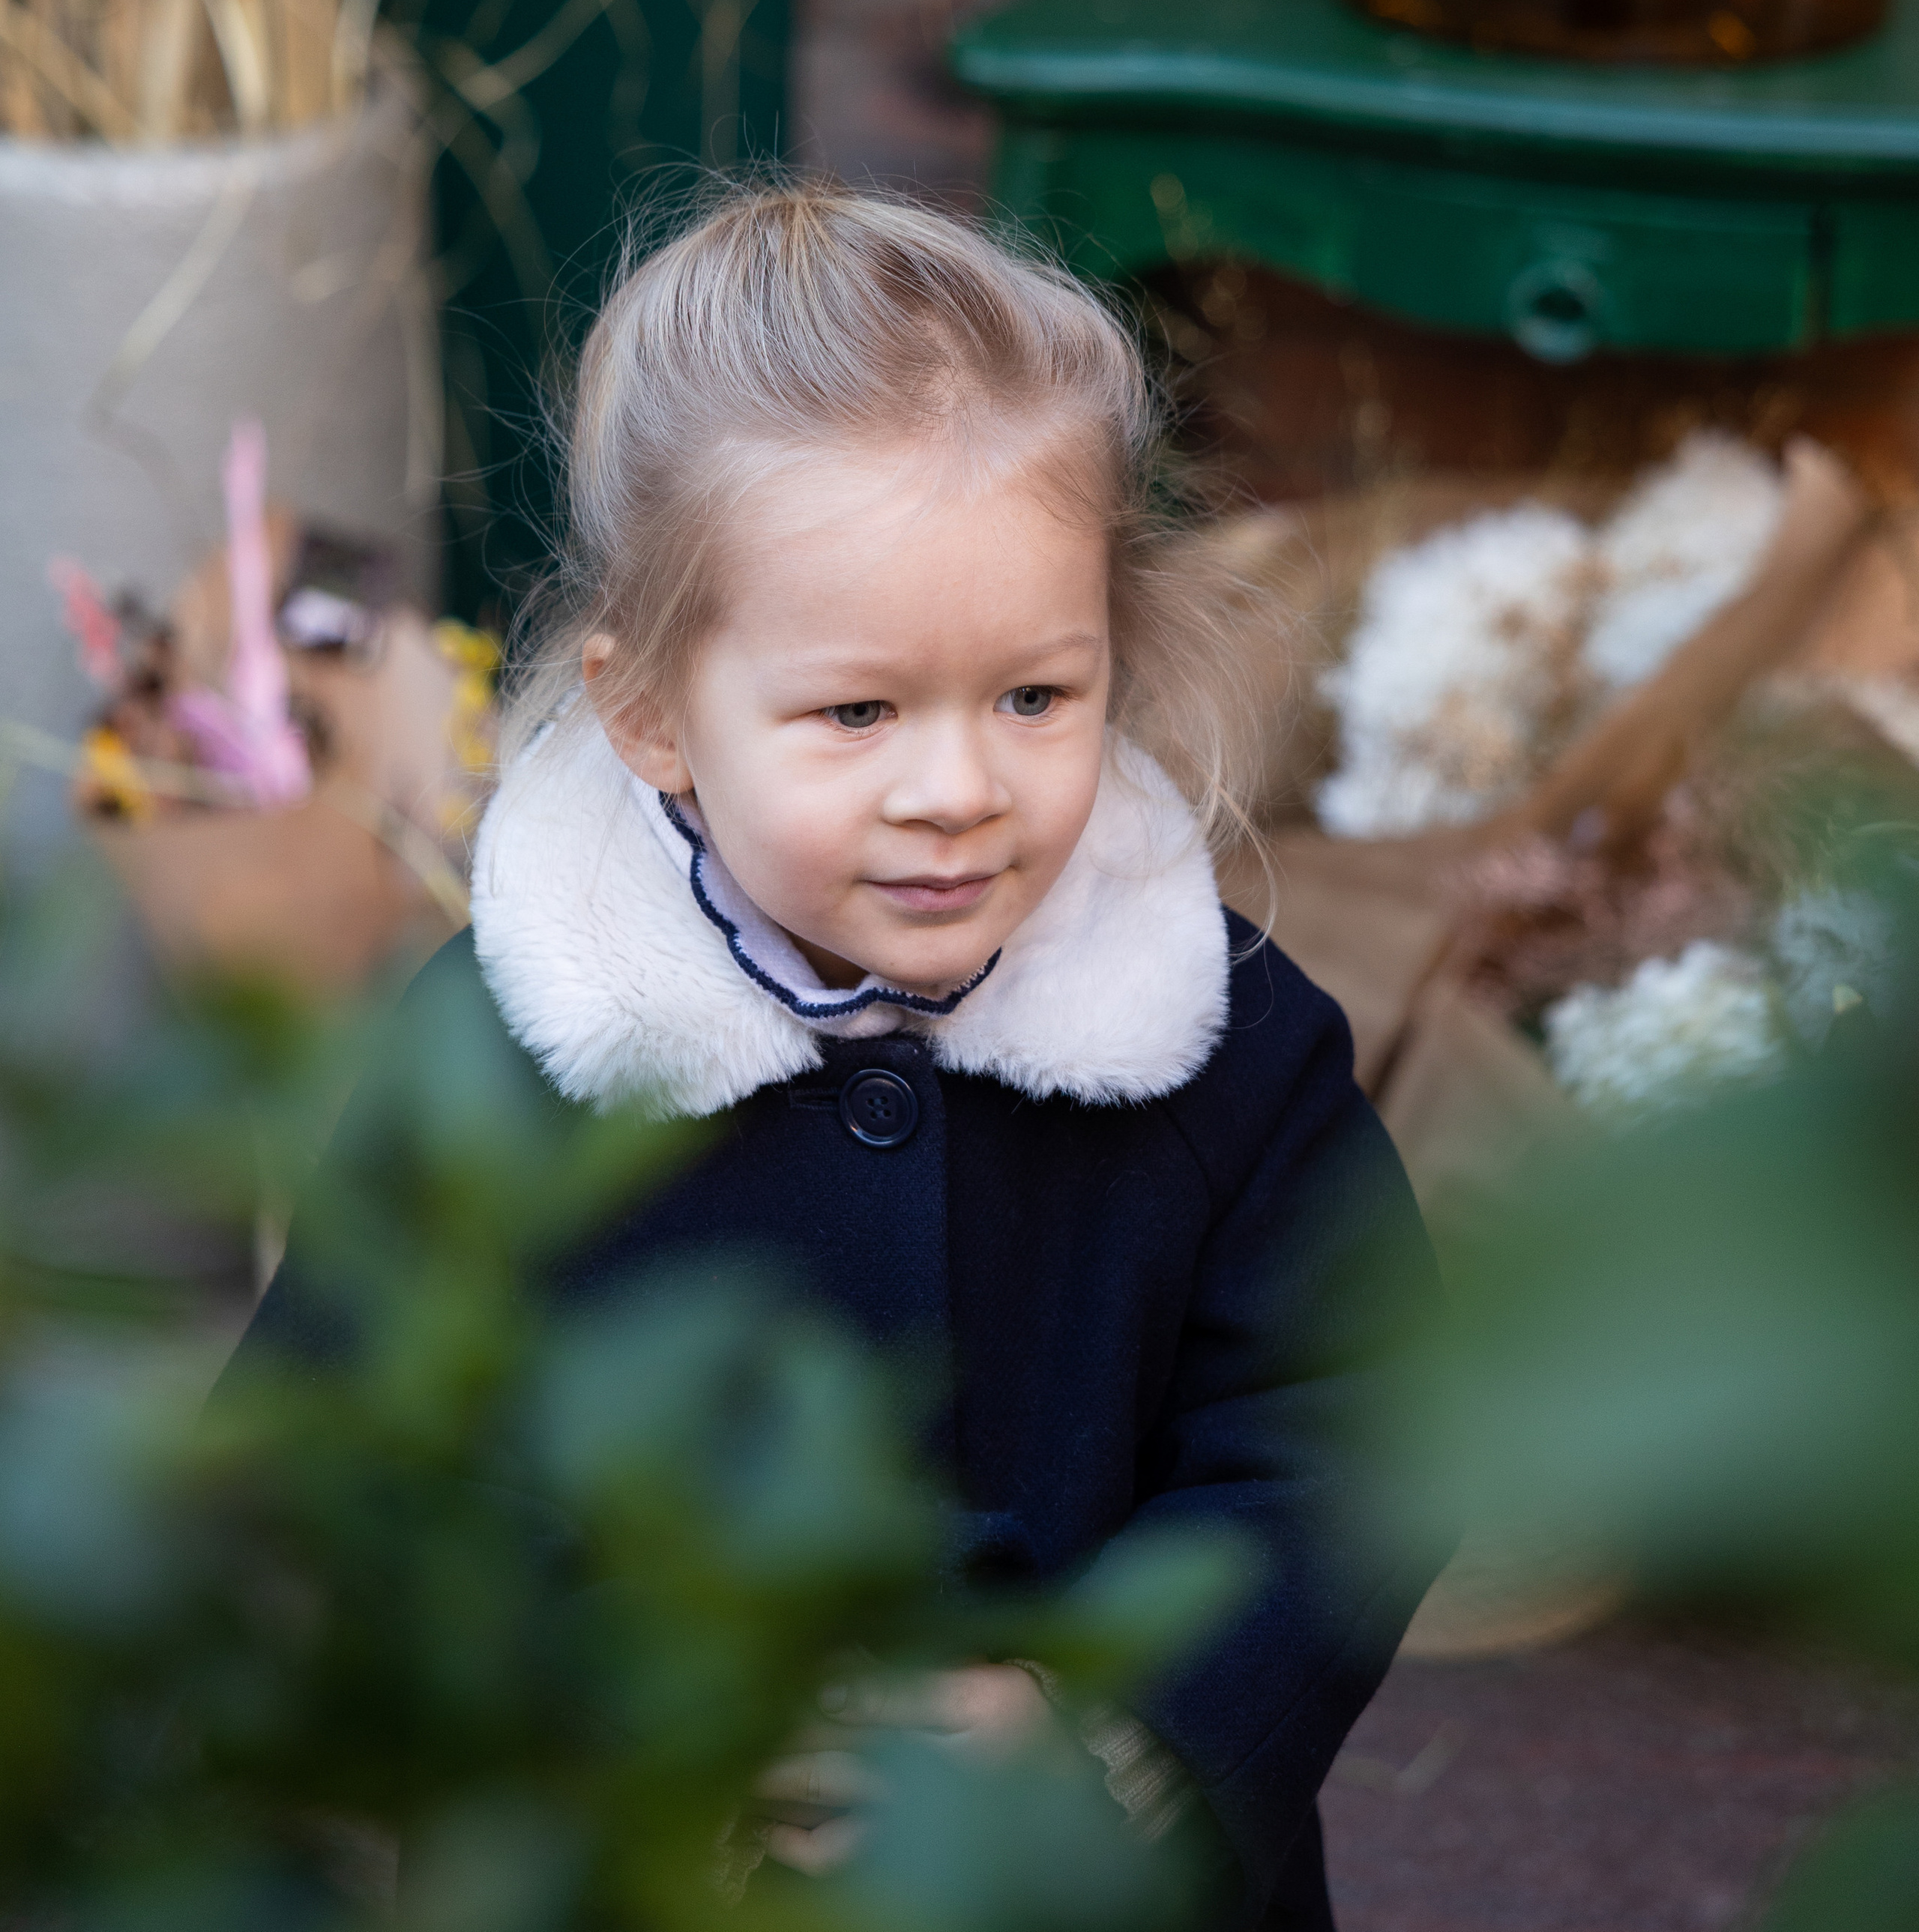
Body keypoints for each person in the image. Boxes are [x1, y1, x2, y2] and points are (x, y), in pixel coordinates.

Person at [251, 179, 1447, 1928]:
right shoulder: (503, 1057)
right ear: (651, 712)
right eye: (856, 712)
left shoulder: (1222, 1046)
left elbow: (1361, 1425)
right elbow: (342, 1471)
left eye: (1033, 696)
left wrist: (1121, 1726)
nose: (954, 788)